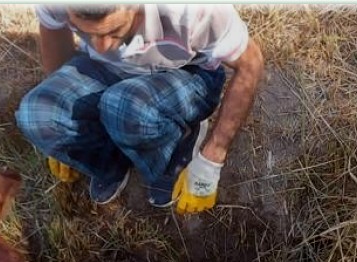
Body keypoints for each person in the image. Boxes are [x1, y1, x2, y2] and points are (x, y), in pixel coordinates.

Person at [15, 4, 264, 213]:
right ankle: (111, 165)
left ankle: (174, 153)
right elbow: (55, 39)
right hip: (107, 72)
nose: (103, 47)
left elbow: (251, 63)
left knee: (126, 108)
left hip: (186, 72)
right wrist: (65, 132)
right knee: (37, 115)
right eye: (85, 32)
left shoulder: (196, 9)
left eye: (114, 31)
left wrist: (211, 161)